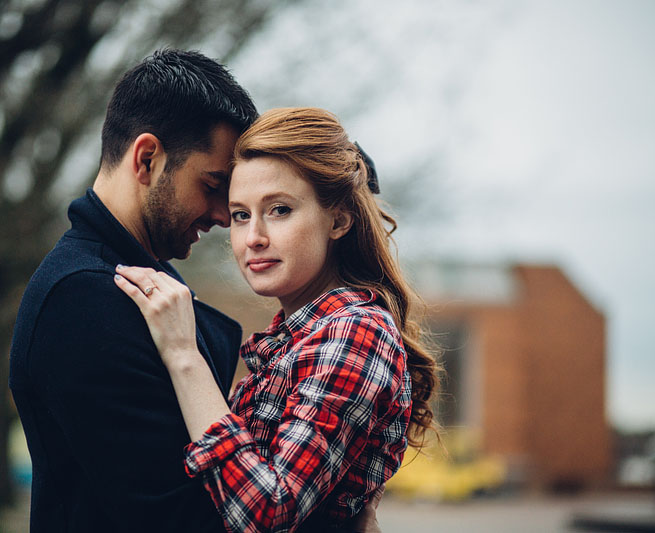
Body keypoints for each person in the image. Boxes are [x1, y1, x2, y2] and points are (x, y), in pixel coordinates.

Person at [114, 107, 439, 532]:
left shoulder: (355, 331)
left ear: (338, 219)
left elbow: (268, 511)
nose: (254, 238)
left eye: (280, 209)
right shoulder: (294, 338)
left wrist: (183, 355)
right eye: (240, 215)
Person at [8, 49, 258, 532]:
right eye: (212, 185)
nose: (225, 215)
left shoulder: (136, 277)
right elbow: (176, 516)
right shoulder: (84, 300)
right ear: (147, 159)